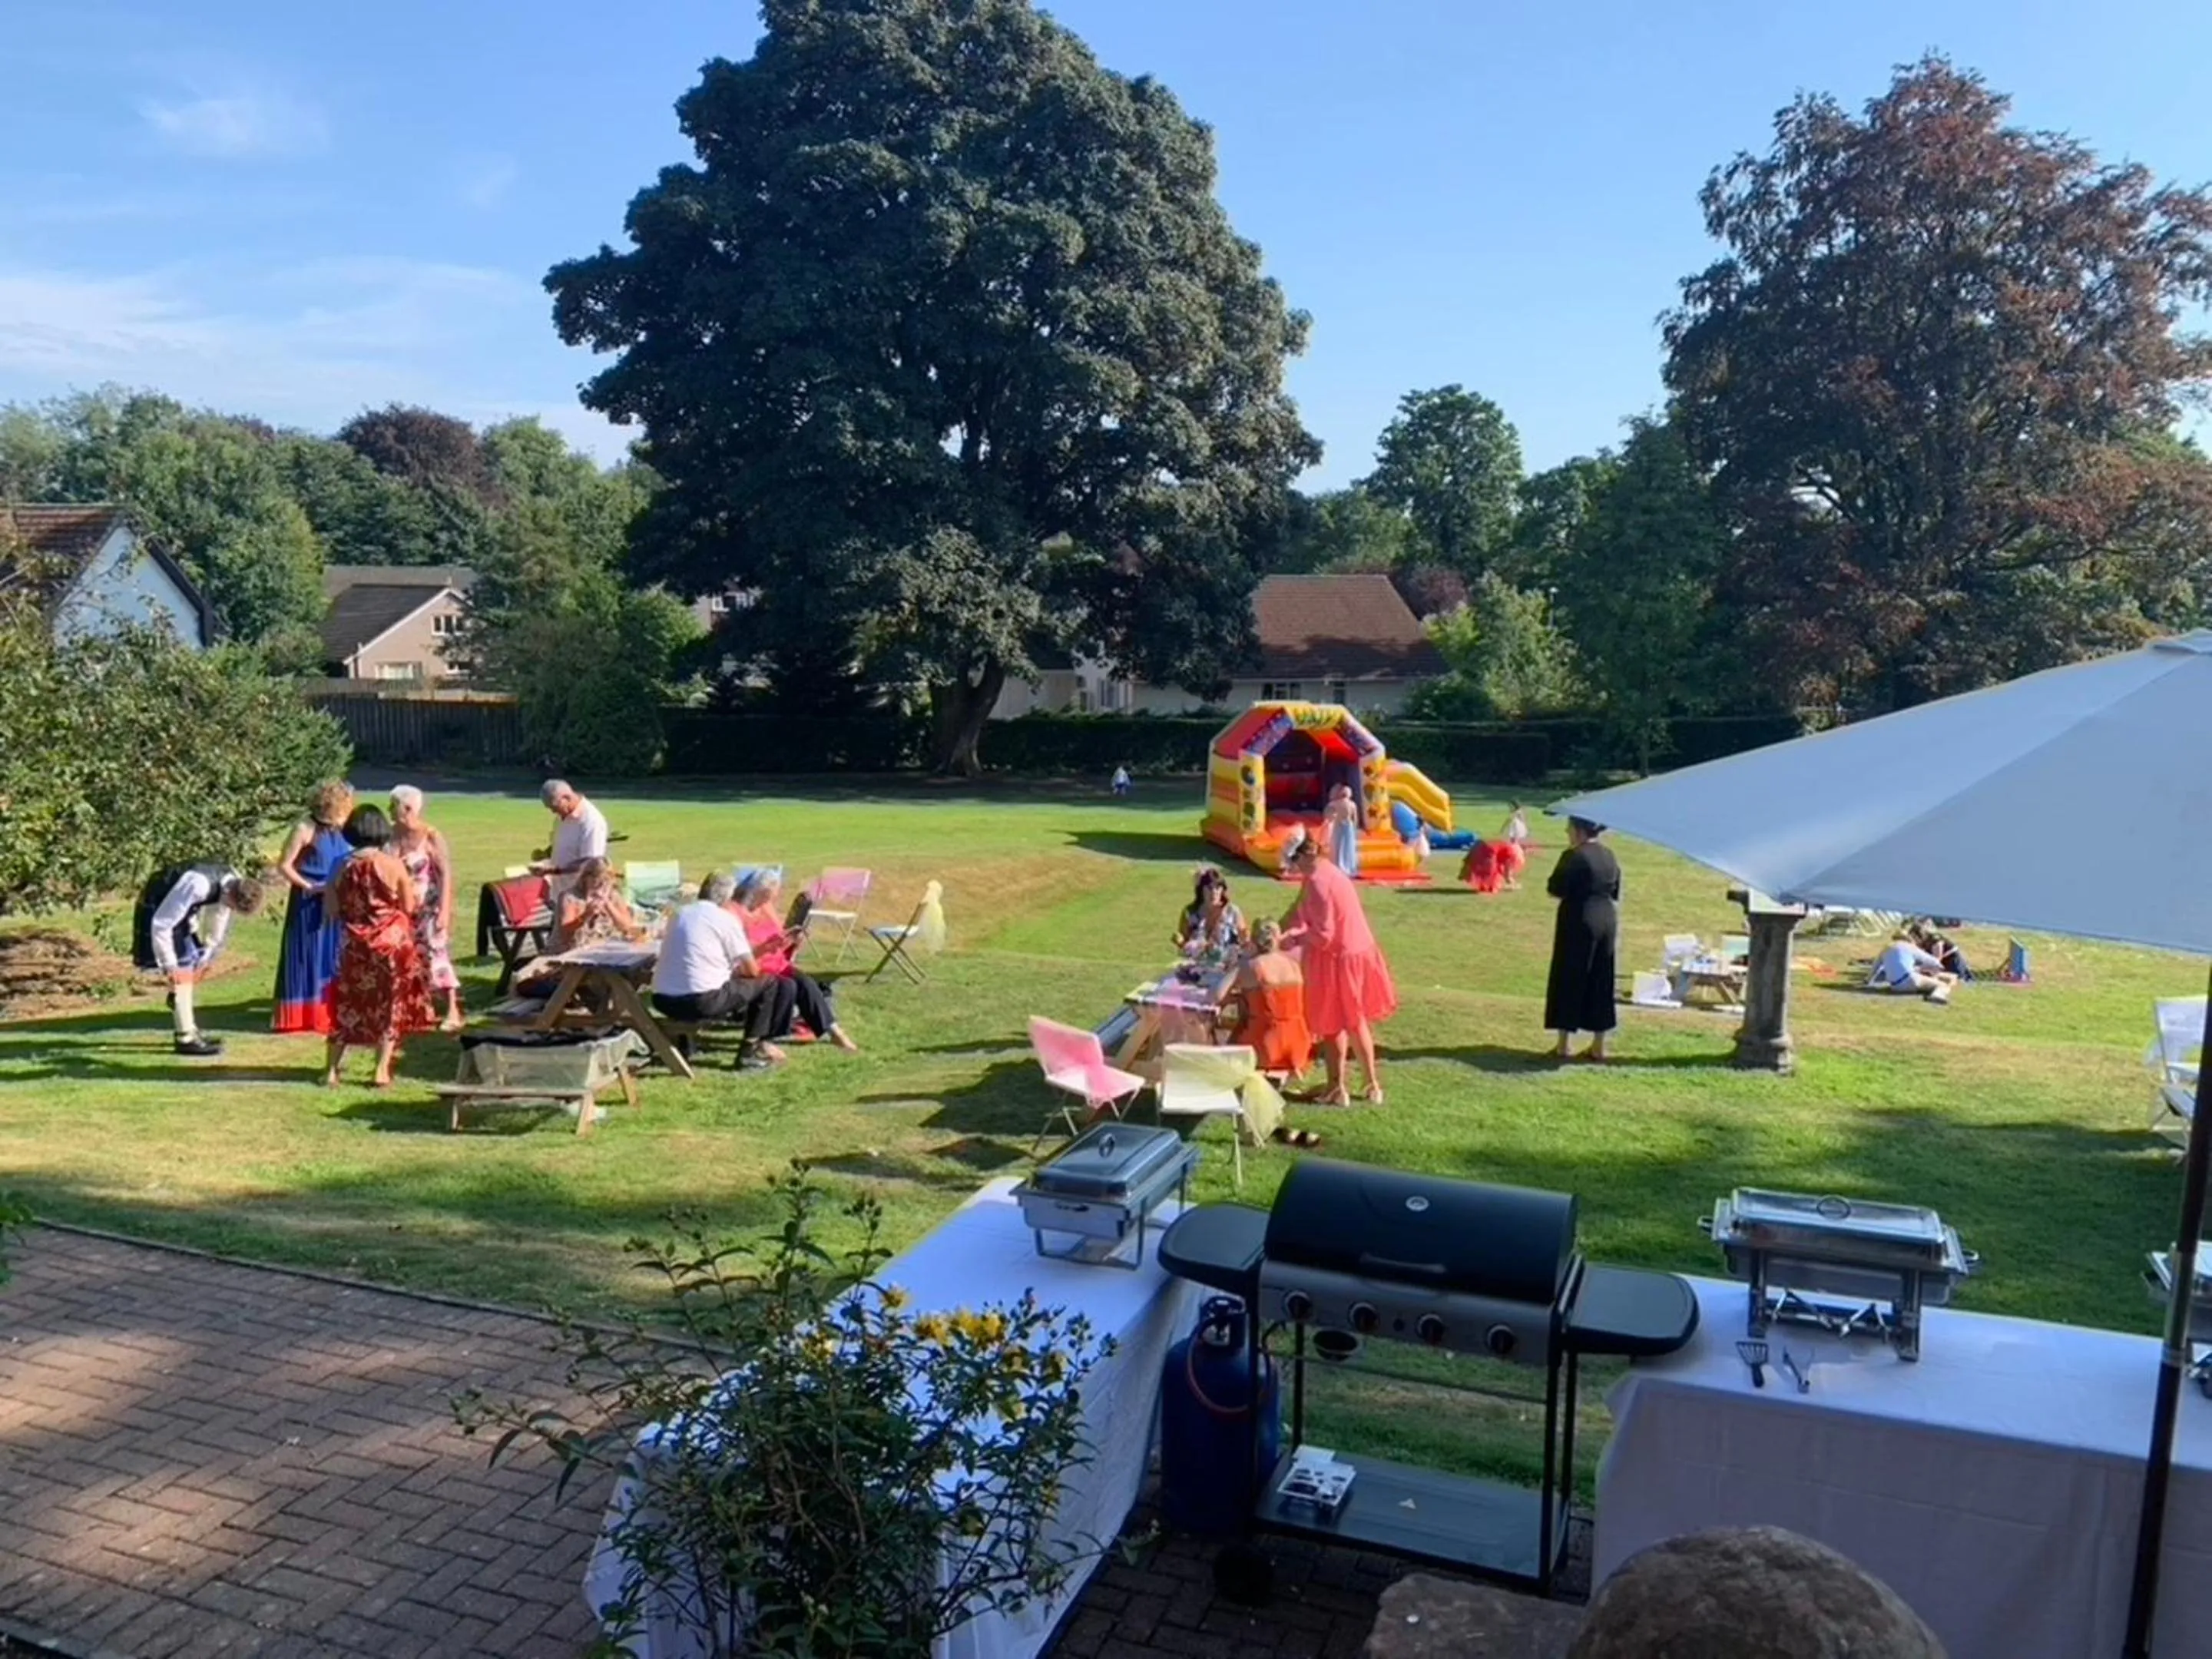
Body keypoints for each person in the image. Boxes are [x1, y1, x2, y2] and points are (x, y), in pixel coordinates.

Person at [323, 803, 435, 1088]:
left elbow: (331, 909)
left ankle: (331, 1071)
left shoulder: (340, 864)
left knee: (348, 1004)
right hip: (391, 944)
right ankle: (381, 1070)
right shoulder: (392, 864)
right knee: (390, 1005)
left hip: (353, 943)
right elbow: (409, 906)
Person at [1278, 836, 1396, 1104]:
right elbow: (1300, 909)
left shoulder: (1319, 882)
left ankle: (1336, 1087)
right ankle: (1371, 1085)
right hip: (1357, 949)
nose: (1293, 866)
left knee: (1332, 1024)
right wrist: (1285, 926)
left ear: (1306, 856)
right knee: (1356, 1021)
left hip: (1337, 957)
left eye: (1294, 860)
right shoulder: (1326, 871)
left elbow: (1324, 936)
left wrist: (1295, 939)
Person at [650, 873, 798, 1071]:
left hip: (662, 999)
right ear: (728, 897)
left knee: (699, 978)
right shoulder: (725, 919)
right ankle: (749, 1051)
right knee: (768, 983)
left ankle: (685, 1043)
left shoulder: (679, 914)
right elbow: (752, 971)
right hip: (701, 1001)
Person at [132, 863, 267, 1057]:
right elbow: (162, 923)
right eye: (233, 905)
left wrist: (209, 952)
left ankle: (184, 1016)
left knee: (191, 962)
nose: (231, 909)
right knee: (182, 970)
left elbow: (219, 914)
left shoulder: (232, 879)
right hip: (159, 904)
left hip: (183, 910)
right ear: (232, 894)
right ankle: (185, 1038)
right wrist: (169, 965)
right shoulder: (198, 885)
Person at [733, 870, 859, 1052]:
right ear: (757, 892)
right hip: (755, 967)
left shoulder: (766, 907)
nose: (768, 901)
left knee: (805, 982)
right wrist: (767, 948)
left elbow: (778, 936)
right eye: (767, 896)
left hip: (777, 962)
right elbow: (742, 954)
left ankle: (833, 1030)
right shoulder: (738, 914)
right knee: (788, 985)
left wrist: (792, 941)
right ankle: (765, 1041)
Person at [271, 781, 353, 1034]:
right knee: (305, 953)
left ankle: (328, 1010)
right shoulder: (305, 828)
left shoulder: (344, 829)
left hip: (336, 898)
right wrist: (308, 886)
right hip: (308, 899)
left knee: (333, 953)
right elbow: (284, 865)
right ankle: (299, 1013)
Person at [1544, 817, 1621, 1061]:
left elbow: (1555, 888)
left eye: (1570, 828)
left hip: (1579, 918)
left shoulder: (1574, 856)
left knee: (1570, 976)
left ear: (1579, 831)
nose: (1567, 831)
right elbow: (1615, 889)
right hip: (1607, 918)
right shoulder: (1609, 855)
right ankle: (1599, 1044)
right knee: (1602, 977)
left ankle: (1563, 1043)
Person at [390, 786, 462, 1032]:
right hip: (400, 908)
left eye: (393, 806)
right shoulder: (391, 835)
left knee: (436, 954)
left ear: (408, 808)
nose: (390, 811)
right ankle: (419, 1008)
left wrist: (444, 910)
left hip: (429, 907)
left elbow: (445, 875)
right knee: (408, 957)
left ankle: (453, 1008)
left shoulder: (430, 835)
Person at [1230, 919, 1313, 1080]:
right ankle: (1292, 1063)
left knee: (1233, 1035)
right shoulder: (1293, 965)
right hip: (1299, 1041)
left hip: (1267, 1042)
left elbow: (1216, 996)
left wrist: (1240, 963)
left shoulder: (1252, 966)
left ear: (1254, 941)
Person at [532, 779, 609, 902]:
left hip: (580, 898)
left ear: (566, 798)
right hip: (560, 894)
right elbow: (565, 846)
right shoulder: (562, 816)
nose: (553, 812)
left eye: (555, 807)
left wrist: (554, 870)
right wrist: (545, 855)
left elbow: (591, 864)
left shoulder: (592, 822)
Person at [551, 857, 644, 954]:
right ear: (585, 878)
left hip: (599, 952)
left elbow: (627, 927)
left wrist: (608, 904)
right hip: (566, 953)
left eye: (605, 882)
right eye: (596, 882)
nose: (600, 887)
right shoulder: (570, 898)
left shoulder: (613, 896)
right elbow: (565, 933)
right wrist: (586, 915)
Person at [1176, 866, 1247, 963]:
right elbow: (1183, 946)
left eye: (1218, 887)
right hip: (1196, 968)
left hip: (1226, 969)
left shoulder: (1233, 912)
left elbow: (1245, 942)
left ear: (1223, 890)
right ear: (1201, 889)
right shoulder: (1190, 913)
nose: (1214, 892)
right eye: (1209, 888)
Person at [1869, 930, 1955, 1002]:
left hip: (1894, 986)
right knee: (1943, 985)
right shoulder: (1910, 947)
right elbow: (1935, 962)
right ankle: (1937, 996)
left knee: (1921, 978)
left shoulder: (1885, 949)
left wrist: (1867, 980)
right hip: (1910, 980)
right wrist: (1924, 968)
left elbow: (1875, 968)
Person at [1322, 784, 1362, 879]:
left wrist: (1331, 818)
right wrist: (1355, 829)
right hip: (1348, 826)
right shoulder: (1352, 804)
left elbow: (1327, 814)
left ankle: (1339, 866)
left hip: (1339, 825)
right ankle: (1349, 867)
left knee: (1338, 846)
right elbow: (1355, 819)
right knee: (1348, 847)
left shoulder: (1335, 804)